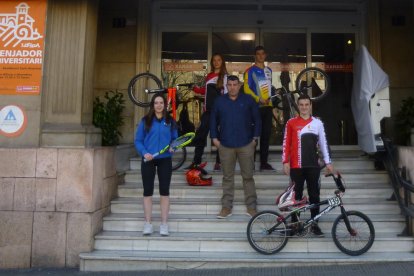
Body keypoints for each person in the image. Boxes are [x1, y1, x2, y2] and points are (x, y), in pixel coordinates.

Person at [282, 94, 334, 237]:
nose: (304, 107)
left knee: (314, 196)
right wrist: (285, 161)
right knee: (295, 196)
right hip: (296, 166)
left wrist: (328, 163)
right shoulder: (291, 123)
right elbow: (286, 143)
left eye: (307, 104)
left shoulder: (317, 123)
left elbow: (324, 144)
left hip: (313, 166)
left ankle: (314, 224)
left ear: (311, 106)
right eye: (301, 105)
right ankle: (294, 224)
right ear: (298, 106)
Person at [210, 75, 261, 218]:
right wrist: (214, 138)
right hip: (225, 145)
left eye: (235, 84)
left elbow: (257, 119)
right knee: (227, 177)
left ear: (239, 85)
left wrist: (254, 139)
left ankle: (251, 207)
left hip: (246, 144)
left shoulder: (248, 100)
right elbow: (213, 120)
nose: (232, 87)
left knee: (248, 176)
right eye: (230, 85)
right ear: (226, 86)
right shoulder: (219, 101)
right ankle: (226, 207)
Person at [134, 93, 178, 236]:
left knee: (164, 192)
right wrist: (144, 152)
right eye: (156, 103)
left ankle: (164, 224)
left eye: (161, 103)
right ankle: (148, 224)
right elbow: (138, 140)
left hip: (165, 159)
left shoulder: (170, 121)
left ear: (165, 105)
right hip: (149, 159)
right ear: (153, 105)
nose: (159, 105)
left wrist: (173, 147)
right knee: (148, 192)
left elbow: (175, 139)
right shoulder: (145, 121)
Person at [185, 53, 228, 171]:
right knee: (200, 136)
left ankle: (219, 162)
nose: (216, 62)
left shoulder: (225, 76)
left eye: (219, 60)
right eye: (214, 60)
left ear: (222, 62)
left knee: (220, 138)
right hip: (208, 112)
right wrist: (195, 89)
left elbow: (228, 94)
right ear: (212, 62)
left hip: (220, 113)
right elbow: (205, 91)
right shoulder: (209, 76)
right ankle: (196, 162)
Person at [244, 45, 275, 171]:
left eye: (263, 53)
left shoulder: (269, 71)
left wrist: (271, 97)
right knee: (254, 136)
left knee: (266, 135)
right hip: (256, 107)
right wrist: (258, 99)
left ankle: (264, 163)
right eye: (258, 54)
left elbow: (268, 87)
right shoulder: (249, 71)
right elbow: (246, 89)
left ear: (265, 55)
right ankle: (250, 163)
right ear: (255, 56)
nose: (261, 56)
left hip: (268, 106)